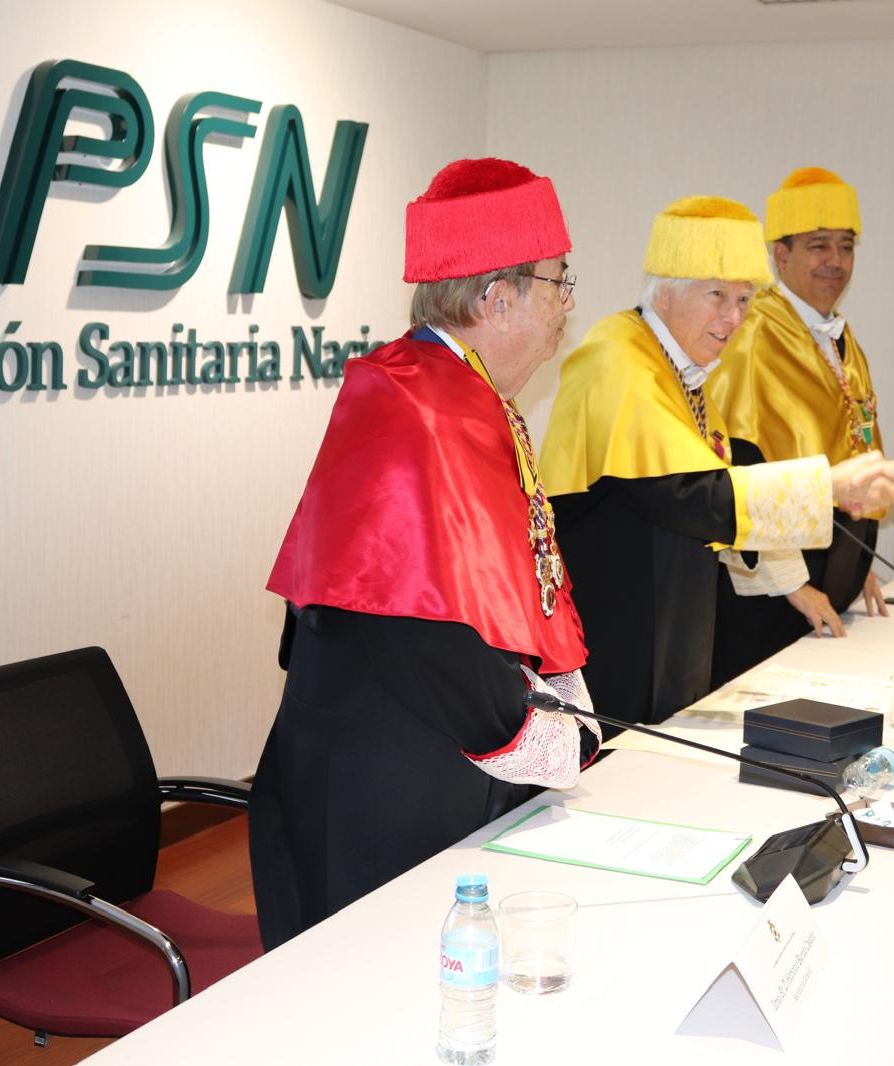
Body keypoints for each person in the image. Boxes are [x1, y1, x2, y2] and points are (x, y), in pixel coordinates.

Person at [249, 159, 602, 950]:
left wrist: (553, 699)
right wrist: (537, 732)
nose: (569, 303)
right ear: (497, 299)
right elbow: (419, 625)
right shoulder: (414, 402)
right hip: (383, 779)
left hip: (423, 751)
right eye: (559, 281)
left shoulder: (460, 390)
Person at [540, 195, 894, 728]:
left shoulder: (681, 364)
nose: (734, 318)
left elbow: (720, 481)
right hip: (619, 619)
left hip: (673, 613)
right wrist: (827, 486)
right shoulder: (617, 355)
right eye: (717, 295)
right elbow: (691, 495)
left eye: (744, 299)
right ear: (666, 289)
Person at [706, 167, 885, 687]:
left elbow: (852, 436)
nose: (836, 261)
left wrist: (858, 565)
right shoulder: (753, 332)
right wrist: (790, 583)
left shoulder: (837, 337)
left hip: (830, 570)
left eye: (846, 247)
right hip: (774, 588)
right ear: (780, 255)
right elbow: (738, 465)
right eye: (818, 246)